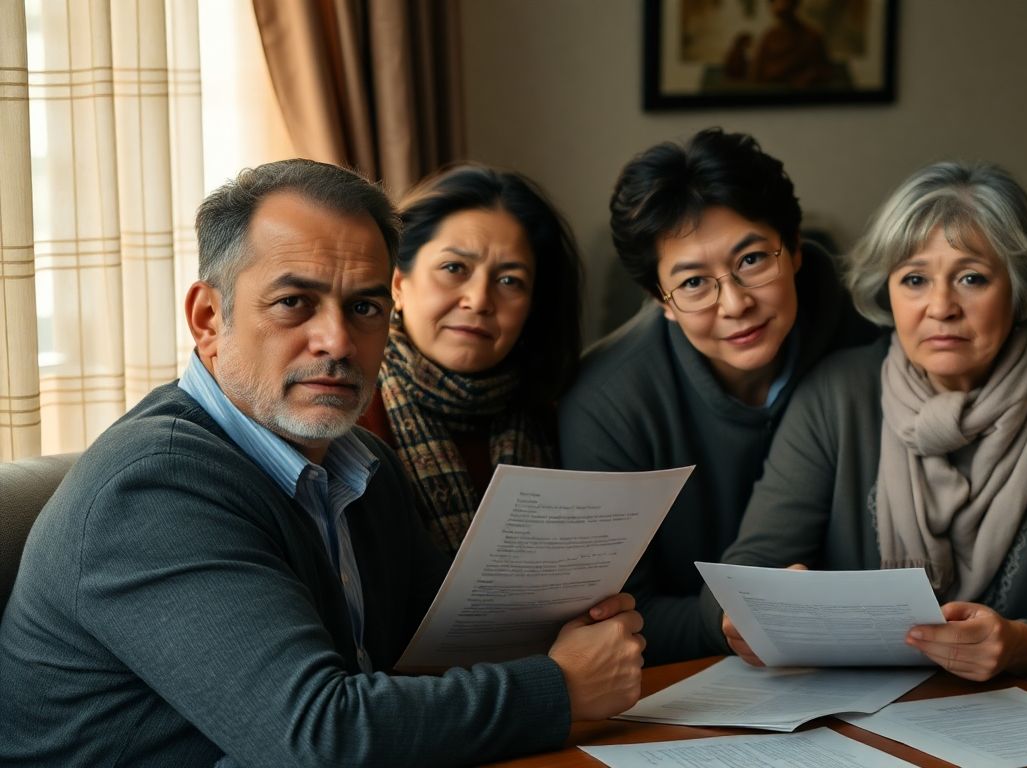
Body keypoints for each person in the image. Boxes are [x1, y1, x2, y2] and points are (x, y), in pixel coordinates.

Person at [0, 159, 643, 766]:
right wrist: (561, 687)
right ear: (207, 319)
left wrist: (576, 627)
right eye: (293, 303)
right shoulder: (152, 488)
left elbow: (444, 651)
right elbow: (317, 737)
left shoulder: (364, 468)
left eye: (363, 307)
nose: (337, 341)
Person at [704, 161, 1027, 694]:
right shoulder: (836, 394)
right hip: (850, 713)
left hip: (1025, 719)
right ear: (888, 292)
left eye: (972, 278)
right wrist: (753, 606)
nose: (940, 308)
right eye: (914, 279)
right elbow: (750, 569)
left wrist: (1023, 645)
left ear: (1021, 289)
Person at [558, 128, 878, 664]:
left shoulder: (878, 334)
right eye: (692, 283)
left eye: (753, 260)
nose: (733, 304)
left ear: (795, 248)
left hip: (882, 660)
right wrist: (726, 622)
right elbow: (616, 614)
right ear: (659, 299)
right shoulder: (607, 403)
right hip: (699, 681)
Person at [357, 165, 583, 557]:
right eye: (454, 269)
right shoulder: (347, 414)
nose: (479, 300)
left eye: (510, 280)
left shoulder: (559, 423)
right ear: (398, 283)